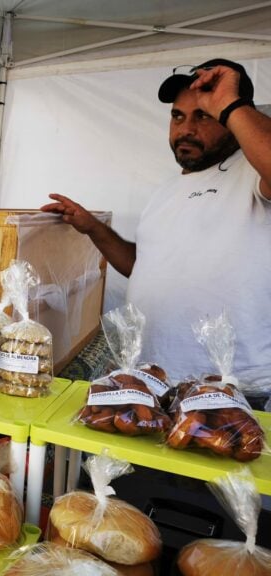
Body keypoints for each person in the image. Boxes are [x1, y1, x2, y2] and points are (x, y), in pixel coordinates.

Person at [41, 58, 271, 385]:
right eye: (178, 116)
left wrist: (230, 105)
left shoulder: (252, 174)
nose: (185, 129)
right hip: (154, 379)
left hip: (234, 390)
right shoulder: (168, 190)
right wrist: (92, 227)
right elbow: (143, 266)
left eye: (203, 116)